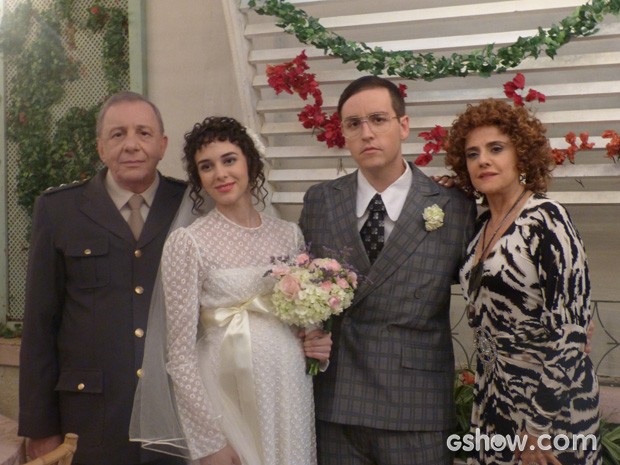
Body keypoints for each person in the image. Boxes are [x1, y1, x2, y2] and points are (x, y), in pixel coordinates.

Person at [130, 116, 331, 465]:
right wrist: (209, 441)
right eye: (206, 166)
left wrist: (317, 341)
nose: (220, 174)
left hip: (288, 389)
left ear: (250, 163)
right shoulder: (189, 242)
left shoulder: (289, 234)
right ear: (199, 179)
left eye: (229, 160)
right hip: (227, 397)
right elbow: (178, 355)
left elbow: (302, 323)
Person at [299, 75, 477, 465]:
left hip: (416, 406)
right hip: (336, 400)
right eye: (353, 124)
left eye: (378, 119)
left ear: (403, 125)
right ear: (343, 134)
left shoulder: (453, 206)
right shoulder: (320, 202)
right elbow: (300, 291)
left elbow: (488, 287)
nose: (367, 133)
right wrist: (305, 333)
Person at [18, 91, 187, 465]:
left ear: (162, 145)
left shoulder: (190, 204)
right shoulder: (59, 209)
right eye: (117, 134)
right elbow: (40, 325)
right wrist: (41, 427)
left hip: (177, 415)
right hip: (90, 419)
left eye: (143, 133)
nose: (131, 144)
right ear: (100, 147)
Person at [444, 98, 601, 465]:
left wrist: (536, 431)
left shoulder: (547, 219)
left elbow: (571, 334)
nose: (482, 160)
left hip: (553, 410)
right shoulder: (480, 226)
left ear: (522, 156)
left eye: (496, 149)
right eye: (472, 154)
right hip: (494, 401)